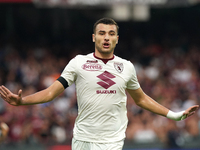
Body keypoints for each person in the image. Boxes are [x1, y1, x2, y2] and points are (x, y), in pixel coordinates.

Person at [0, 18, 199, 150]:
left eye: (111, 33)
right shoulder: (78, 62)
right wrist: (22, 101)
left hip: (112, 141)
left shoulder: (127, 67)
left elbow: (141, 99)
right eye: (102, 33)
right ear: (94, 37)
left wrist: (174, 115)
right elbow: (52, 92)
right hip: (83, 139)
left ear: (117, 39)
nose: (106, 37)